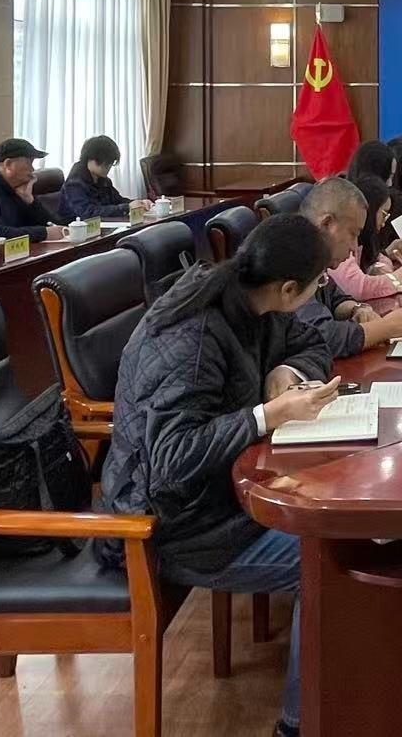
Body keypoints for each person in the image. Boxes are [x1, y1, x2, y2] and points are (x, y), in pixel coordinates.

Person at [99, 213, 341, 737]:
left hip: (220, 495)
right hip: (170, 525)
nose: (319, 292)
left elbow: (313, 340)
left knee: (338, 528)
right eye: (318, 284)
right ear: (290, 288)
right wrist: (265, 416)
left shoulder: (251, 299)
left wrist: (286, 371)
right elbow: (171, 459)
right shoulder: (196, 336)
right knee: (326, 560)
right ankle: (298, 725)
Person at [293, 176, 402, 358]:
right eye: (353, 234)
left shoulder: (316, 260)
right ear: (326, 224)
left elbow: (335, 296)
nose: (353, 247)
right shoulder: (292, 260)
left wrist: (357, 309)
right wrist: (385, 328)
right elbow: (320, 336)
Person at [326, 174, 402, 301]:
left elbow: (377, 258)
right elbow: (357, 289)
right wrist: (396, 278)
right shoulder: (341, 240)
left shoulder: (365, 239)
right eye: (384, 214)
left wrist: (379, 267)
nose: (384, 222)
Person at [60, 135, 151, 221]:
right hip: (75, 229)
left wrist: (139, 203)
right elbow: (88, 213)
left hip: (102, 225)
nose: (109, 166)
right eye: (106, 162)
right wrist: (127, 207)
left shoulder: (103, 181)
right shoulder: (74, 184)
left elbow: (118, 200)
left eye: (111, 162)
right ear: (90, 159)